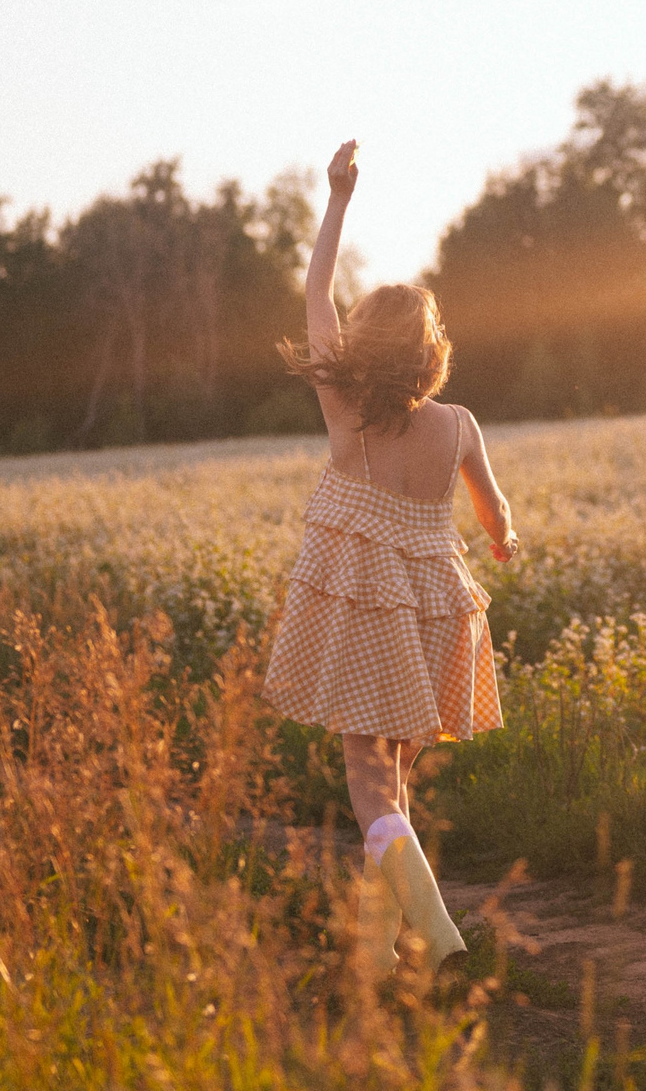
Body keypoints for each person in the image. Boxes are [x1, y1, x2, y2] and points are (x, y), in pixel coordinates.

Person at [263, 139, 519, 974]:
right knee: (395, 791)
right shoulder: (462, 424)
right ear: (431, 349)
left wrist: (337, 200)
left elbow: (313, 292)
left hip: (371, 618)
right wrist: (504, 539)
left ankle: (441, 937)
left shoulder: (348, 414)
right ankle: (377, 957)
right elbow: (495, 514)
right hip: (441, 614)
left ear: (363, 346)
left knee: (370, 790)